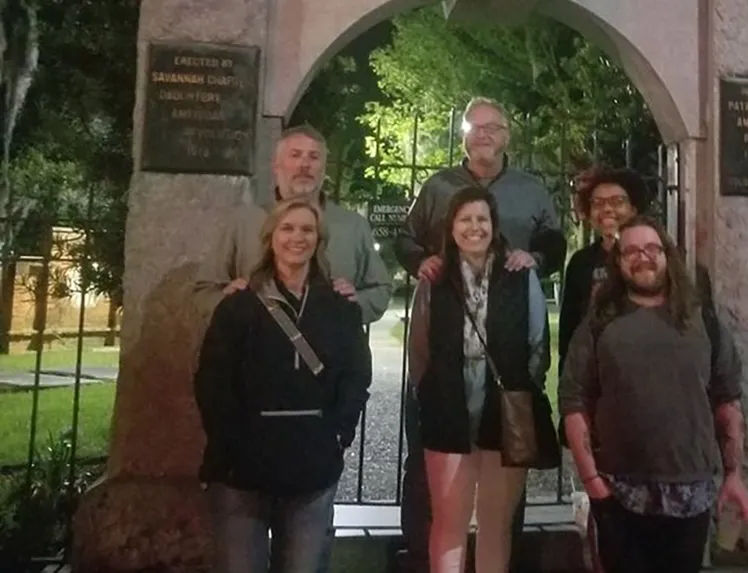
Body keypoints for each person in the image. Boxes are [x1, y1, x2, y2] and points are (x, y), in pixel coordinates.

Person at [395, 97, 566, 572]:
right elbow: (407, 244)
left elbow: (554, 243)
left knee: (498, 518)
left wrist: (538, 261)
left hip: (503, 386)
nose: (485, 135)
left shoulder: (531, 190)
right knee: (438, 508)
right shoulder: (436, 187)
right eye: (477, 127)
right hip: (448, 386)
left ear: (507, 135)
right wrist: (420, 263)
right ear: (464, 135)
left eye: (494, 127)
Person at [558, 216, 748, 573]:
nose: (643, 257)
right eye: (631, 250)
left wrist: (733, 474)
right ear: (618, 263)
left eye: (652, 248)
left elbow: (727, 400)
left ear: (668, 255)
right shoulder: (599, 323)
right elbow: (574, 401)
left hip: (691, 490)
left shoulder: (703, 320)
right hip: (619, 489)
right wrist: (592, 481)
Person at [193, 197, 373, 573]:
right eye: (287, 228)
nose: (297, 237)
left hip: (313, 463)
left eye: (307, 229)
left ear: (318, 239)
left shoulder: (339, 309)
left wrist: (339, 432)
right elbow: (213, 378)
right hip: (243, 467)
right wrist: (228, 440)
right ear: (270, 237)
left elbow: (356, 374)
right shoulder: (238, 306)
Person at [406, 186, 553, 573]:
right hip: (448, 401)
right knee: (448, 522)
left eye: (482, 219)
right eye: (465, 219)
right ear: (451, 226)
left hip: (504, 403)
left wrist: (519, 389)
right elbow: (419, 349)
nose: (475, 227)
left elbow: (538, 344)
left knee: (495, 524)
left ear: (494, 225)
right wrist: (431, 391)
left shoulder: (519, 274)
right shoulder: (434, 278)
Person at [194, 124, 392, 324]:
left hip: (330, 351)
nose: (304, 164)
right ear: (276, 166)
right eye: (295, 155)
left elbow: (380, 289)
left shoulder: (353, 226)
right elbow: (204, 291)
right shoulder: (244, 222)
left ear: (324, 169)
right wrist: (225, 303)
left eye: (313, 157)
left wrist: (354, 307)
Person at [557, 167, 649, 376]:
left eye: (617, 202)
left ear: (634, 208)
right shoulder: (580, 263)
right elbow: (568, 333)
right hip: (594, 375)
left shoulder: (653, 257)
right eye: (597, 204)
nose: (607, 209)